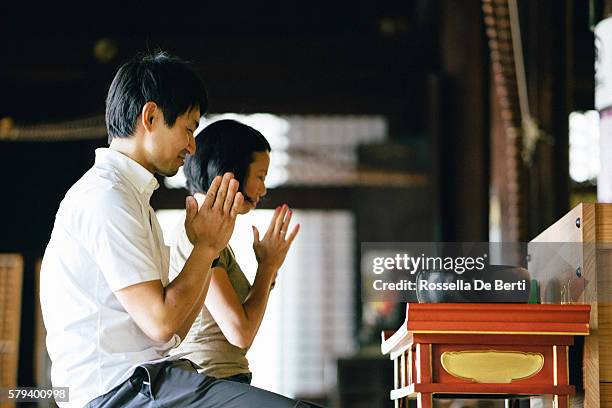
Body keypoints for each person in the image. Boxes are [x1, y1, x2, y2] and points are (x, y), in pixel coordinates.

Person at [40, 51, 317, 407]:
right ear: (151, 116)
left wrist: (210, 246)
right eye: (188, 128)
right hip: (118, 392)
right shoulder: (106, 198)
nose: (191, 146)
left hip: (154, 377)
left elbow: (171, 334)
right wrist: (205, 248)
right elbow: (163, 324)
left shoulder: (133, 200)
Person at [169, 119, 299, 385]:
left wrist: (268, 269)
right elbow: (240, 332)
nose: (263, 189)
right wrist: (267, 268)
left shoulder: (211, 237)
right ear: (232, 171)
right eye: (260, 177)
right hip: (209, 385)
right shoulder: (199, 236)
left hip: (223, 382)